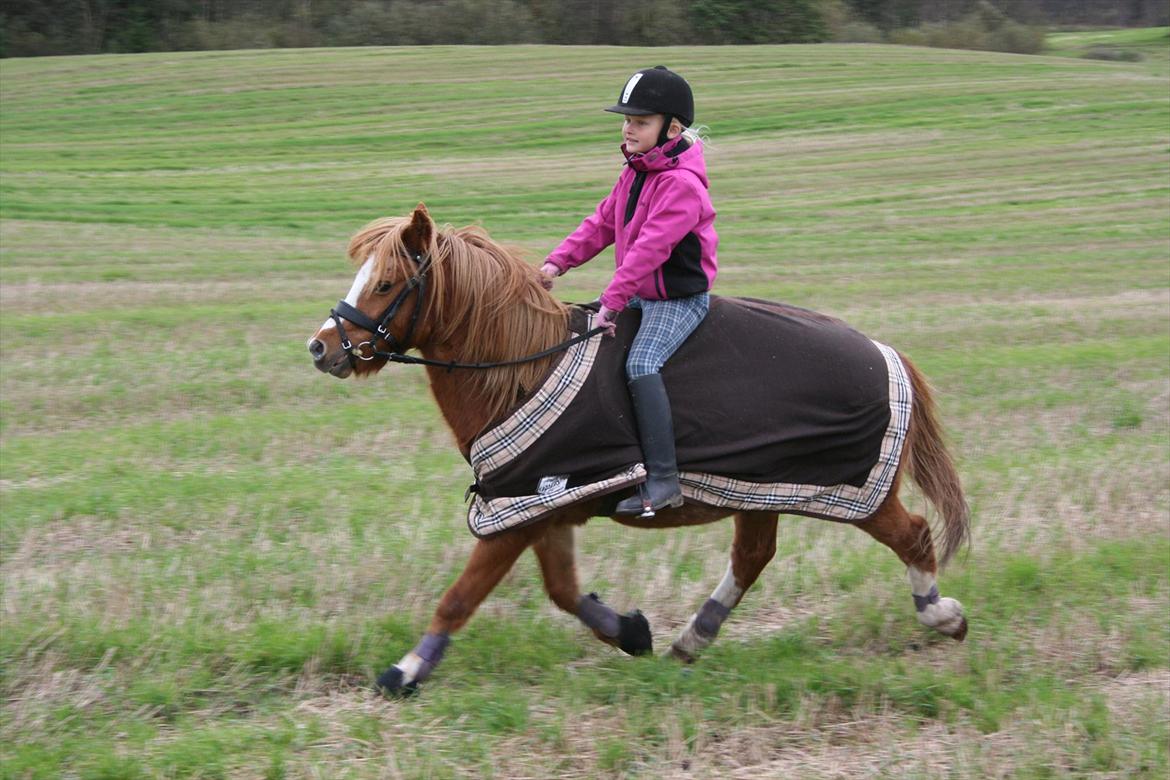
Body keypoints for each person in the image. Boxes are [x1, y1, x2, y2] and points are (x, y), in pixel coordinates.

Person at [541, 65, 718, 517]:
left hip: (676, 300)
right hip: (641, 293)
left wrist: (611, 302)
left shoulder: (681, 185)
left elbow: (647, 252)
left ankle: (663, 481)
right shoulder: (636, 171)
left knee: (641, 363)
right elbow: (601, 223)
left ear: (671, 128)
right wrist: (555, 263)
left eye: (640, 121)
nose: (628, 128)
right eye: (626, 119)